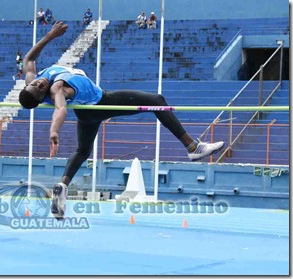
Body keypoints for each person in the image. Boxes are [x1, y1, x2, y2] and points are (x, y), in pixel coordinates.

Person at [19, 22, 225, 219]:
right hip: (102, 102)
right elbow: (60, 109)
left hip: (86, 111)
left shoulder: (33, 79)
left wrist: (50, 36)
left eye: (35, 83)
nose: (40, 83)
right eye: (40, 88)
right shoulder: (57, 90)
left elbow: (29, 58)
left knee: (83, 151)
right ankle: (192, 146)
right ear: (43, 95)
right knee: (157, 101)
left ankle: (62, 186)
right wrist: (54, 131)